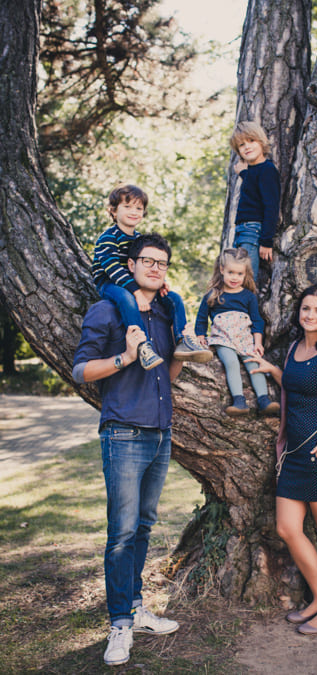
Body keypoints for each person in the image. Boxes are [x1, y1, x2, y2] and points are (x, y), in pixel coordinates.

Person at [73, 233, 184, 666]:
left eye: (162, 263)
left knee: (142, 528)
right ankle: (119, 624)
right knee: (121, 533)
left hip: (160, 434)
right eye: (147, 261)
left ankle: (136, 609)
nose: (155, 268)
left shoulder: (164, 313)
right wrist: (124, 357)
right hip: (123, 434)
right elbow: (82, 370)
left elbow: (168, 372)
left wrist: (185, 352)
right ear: (131, 264)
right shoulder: (107, 309)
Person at [248, 285, 317, 634]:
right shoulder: (296, 349)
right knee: (287, 528)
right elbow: (295, 387)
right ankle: (316, 598)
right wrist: (270, 369)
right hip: (293, 455)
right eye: (305, 309)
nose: (310, 315)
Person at [92, 183, 212, 370]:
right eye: (127, 206)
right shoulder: (109, 237)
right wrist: (136, 292)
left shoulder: (139, 239)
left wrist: (161, 282)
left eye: (139, 208)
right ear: (113, 211)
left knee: (173, 298)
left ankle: (182, 340)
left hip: (130, 283)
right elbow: (112, 267)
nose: (134, 211)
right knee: (127, 299)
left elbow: (147, 264)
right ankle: (142, 346)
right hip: (108, 282)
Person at [195, 247, 280, 417]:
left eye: (239, 274)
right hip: (223, 339)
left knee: (254, 364)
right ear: (222, 270)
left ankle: (264, 400)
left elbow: (256, 321)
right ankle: (239, 401)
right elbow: (201, 319)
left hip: (244, 338)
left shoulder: (248, 296)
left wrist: (257, 343)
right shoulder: (213, 295)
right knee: (231, 363)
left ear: (245, 273)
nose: (235, 278)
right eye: (231, 272)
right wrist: (201, 336)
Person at [230, 121, 281, 281]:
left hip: (253, 231)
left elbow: (271, 206)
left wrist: (266, 241)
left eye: (251, 141)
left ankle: (246, 306)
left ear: (261, 141)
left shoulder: (267, 170)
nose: (247, 147)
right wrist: (244, 174)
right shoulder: (251, 171)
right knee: (236, 275)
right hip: (241, 231)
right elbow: (253, 191)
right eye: (241, 145)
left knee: (245, 279)